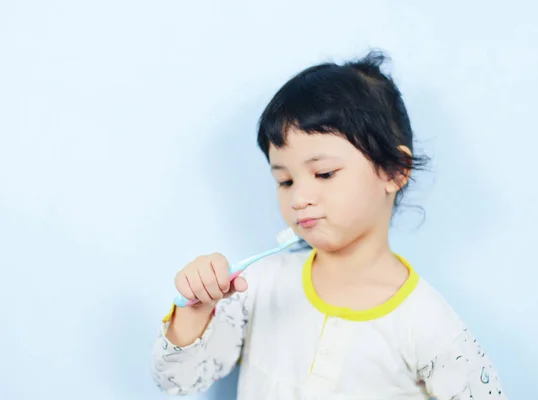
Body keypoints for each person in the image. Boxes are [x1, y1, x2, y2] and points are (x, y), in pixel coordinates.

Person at [151, 51, 506, 399]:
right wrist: (196, 310)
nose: (298, 197)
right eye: (285, 181)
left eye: (324, 173)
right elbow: (178, 383)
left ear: (395, 171)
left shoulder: (429, 324)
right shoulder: (257, 285)